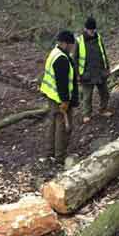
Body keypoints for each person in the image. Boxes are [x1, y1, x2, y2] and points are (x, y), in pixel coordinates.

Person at [40, 30, 79, 161]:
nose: (73, 47)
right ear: (65, 43)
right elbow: (62, 82)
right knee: (62, 127)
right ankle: (60, 156)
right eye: (71, 44)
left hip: (52, 96)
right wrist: (65, 101)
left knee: (54, 125)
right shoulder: (61, 59)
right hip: (59, 98)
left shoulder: (55, 53)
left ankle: (49, 152)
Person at [75, 17, 112, 124]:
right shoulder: (79, 41)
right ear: (85, 29)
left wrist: (107, 67)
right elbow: (75, 59)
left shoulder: (99, 37)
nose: (92, 32)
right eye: (90, 30)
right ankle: (87, 114)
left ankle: (103, 109)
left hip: (100, 71)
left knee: (105, 93)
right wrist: (77, 74)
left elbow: (103, 53)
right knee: (87, 96)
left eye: (94, 29)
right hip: (86, 73)